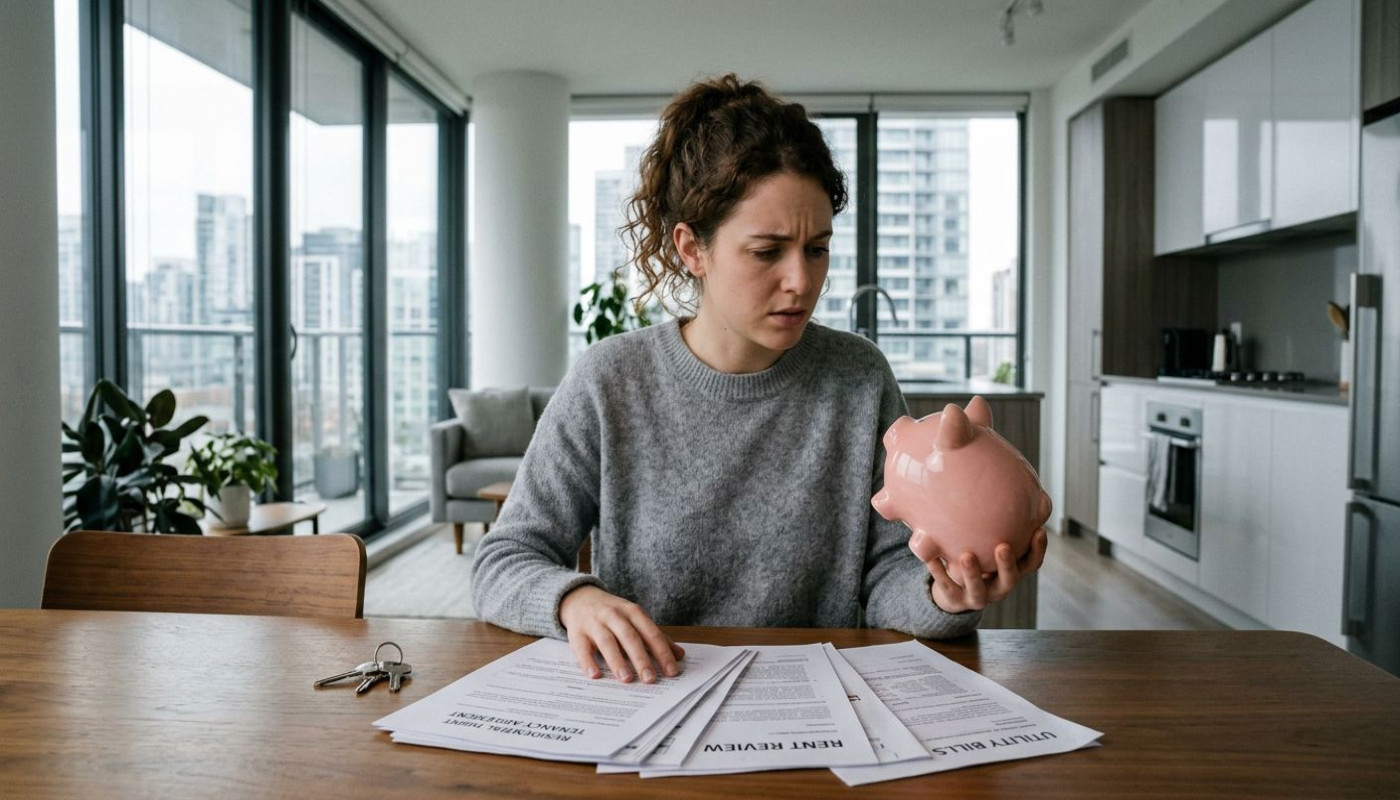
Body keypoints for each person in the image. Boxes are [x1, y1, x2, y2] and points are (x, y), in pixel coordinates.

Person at [471, 74, 1048, 684]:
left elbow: (887, 578)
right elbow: (503, 561)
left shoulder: (858, 377)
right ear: (692, 249)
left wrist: (945, 598)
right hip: (650, 700)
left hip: (815, 705)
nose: (802, 281)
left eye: (818, 249)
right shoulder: (608, 380)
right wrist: (574, 600)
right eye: (767, 251)